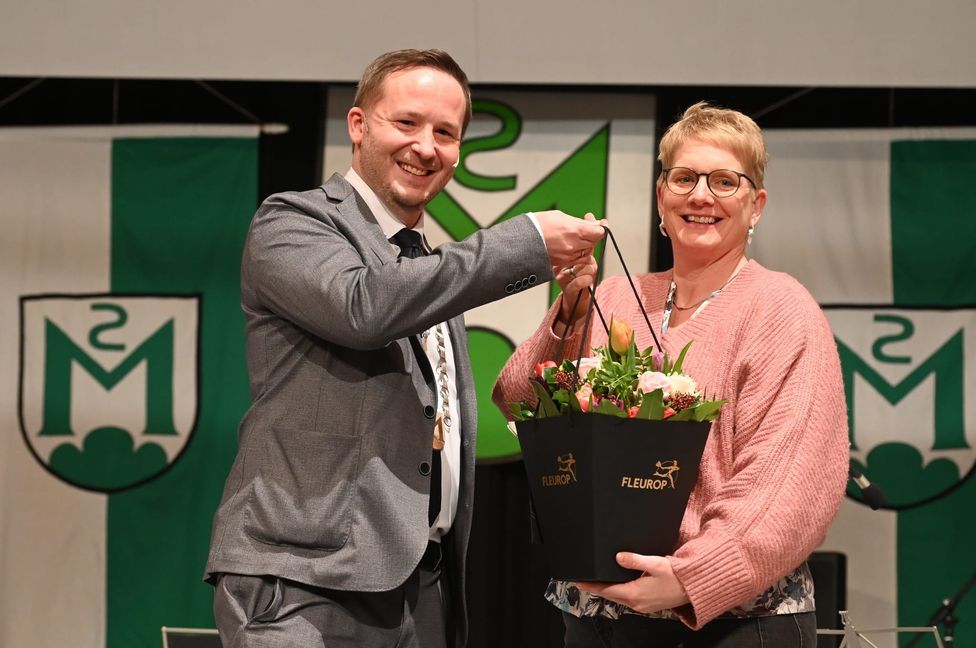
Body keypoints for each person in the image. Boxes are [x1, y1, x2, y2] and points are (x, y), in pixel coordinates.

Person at [204, 48, 605, 648]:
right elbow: (363, 308)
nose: (426, 146)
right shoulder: (294, 221)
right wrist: (524, 242)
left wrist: (570, 311)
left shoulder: (424, 265)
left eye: (446, 132)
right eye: (408, 123)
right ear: (359, 125)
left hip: (421, 589)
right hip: (305, 583)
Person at [492, 102, 850, 647]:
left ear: (756, 205)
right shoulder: (614, 296)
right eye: (684, 178)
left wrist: (690, 576)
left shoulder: (781, 309)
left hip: (732, 621)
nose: (701, 196)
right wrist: (569, 310)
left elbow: (790, 486)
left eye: (725, 181)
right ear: (662, 197)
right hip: (598, 614)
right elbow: (520, 403)